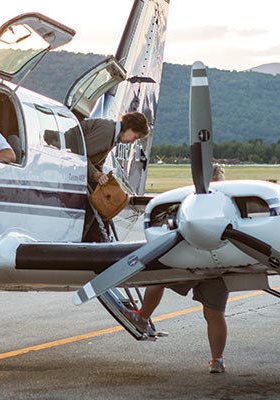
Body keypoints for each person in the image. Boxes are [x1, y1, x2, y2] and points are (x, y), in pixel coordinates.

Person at [133, 165, 230, 374]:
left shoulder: (189, 200)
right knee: (214, 314)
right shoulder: (227, 203)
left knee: (157, 279)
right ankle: (217, 360)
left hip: (190, 260)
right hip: (218, 265)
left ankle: (142, 317)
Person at [80, 112, 150, 242]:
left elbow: (95, 160)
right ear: (130, 128)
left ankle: (99, 242)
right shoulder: (107, 132)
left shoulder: (111, 134)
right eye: (135, 137)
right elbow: (79, 155)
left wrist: (102, 178)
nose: (132, 142)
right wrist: (95, 174)